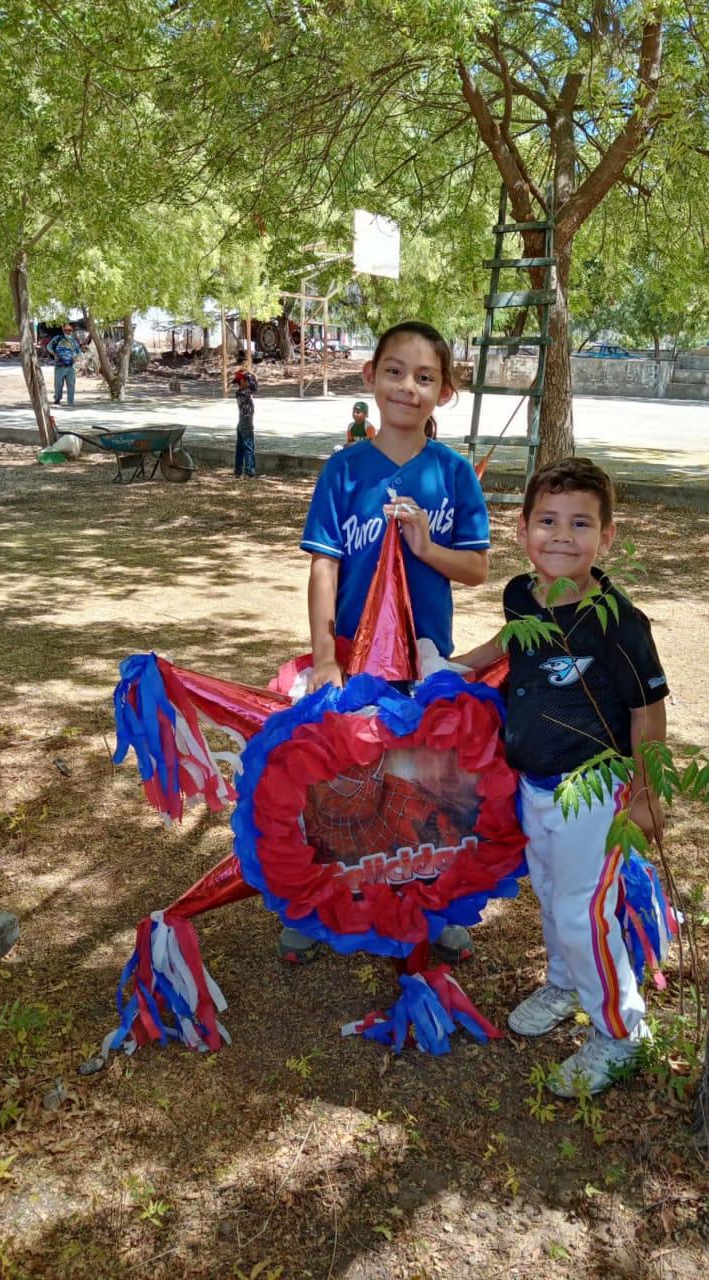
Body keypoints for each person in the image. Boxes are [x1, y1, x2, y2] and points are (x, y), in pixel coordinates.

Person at [455, 457, 670, 1097]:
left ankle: (622, 1031)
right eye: (547, 521)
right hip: (536, 784)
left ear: (606, 536)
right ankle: (567, 982)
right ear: (522, 530)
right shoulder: (522, 594)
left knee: (582, 911)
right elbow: (511, 642)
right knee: (551, 894)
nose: (562, 536)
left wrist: (646, 797)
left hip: (594, 791)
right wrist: (456, 668)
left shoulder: (620, 624)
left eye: (581, 523)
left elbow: (647, 710)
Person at [280, 320, 491, 967]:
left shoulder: (454, 473)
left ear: (445, 392)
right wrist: (324, 657)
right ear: (371, 376)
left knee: (423, 783)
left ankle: (430, 904)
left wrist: (426, 546)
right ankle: (321, 903)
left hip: (424, 661)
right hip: (352, 660)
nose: (407, 387)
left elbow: (477, 568)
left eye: (425, 377)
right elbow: (324, 566)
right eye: (395, 371)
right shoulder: (344, 470)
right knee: (341, 780)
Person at [46, 323, 82, 407]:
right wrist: (54, 354)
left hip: (71, 367)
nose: (68, 332)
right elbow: (49, 347)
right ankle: (57, 399)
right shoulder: (58, 339)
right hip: (59, 366)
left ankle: (70, 402)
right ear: (63, 330)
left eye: (70, 330)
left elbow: (79, 352)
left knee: (71, 385)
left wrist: (76, 357)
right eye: (66, 330)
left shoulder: (74, 341)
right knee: (58, 384)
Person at [232, 368, 258, 478]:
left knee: (240, 448)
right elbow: (255, 387)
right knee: (248, 447)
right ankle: (249, 471)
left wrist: (248, 375)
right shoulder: (244, 393)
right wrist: (252, 375)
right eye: (245, 380)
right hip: (246, 422)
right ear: (242, 382)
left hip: (242, 422)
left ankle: (238, 471)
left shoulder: (240, 393)